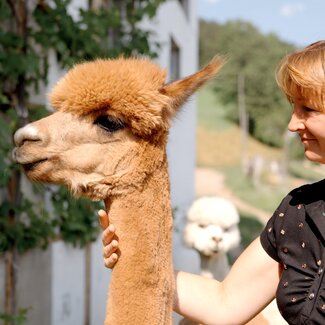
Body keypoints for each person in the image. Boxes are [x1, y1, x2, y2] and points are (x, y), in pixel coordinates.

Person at [98, 40, 325, 325]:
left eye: (308, 109)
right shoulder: (297, 211)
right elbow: (224, 303)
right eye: (294, 108)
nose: (292, 124)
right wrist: (134, 259)